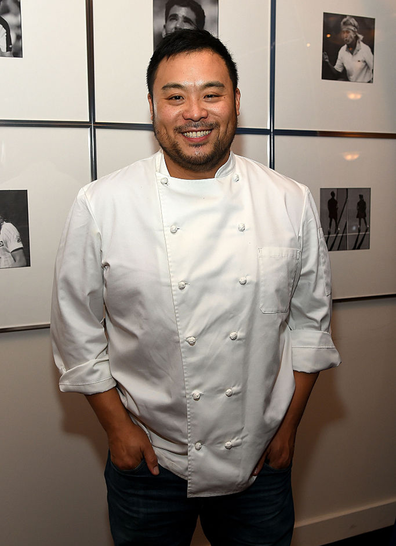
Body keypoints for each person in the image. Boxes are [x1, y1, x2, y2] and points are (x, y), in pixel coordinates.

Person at [51, 29, 341, 546]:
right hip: (150, 462)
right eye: (175, 96)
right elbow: (76, 332)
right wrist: (117, 429)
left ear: (235, 101)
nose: (195, 112)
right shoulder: (102, 204)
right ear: (152, 106)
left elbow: (310, 326)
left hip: (260, 457)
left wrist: (290, 426)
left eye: (212, 93)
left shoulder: (290, 201)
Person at [323, 16, 373, 83]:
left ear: (355, 33)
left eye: (347, 32)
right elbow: (337, 73)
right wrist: (327, 61)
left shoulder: (365, 49)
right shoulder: (342, 51)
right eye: (343, 32)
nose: (345, 36)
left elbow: (375, 71)